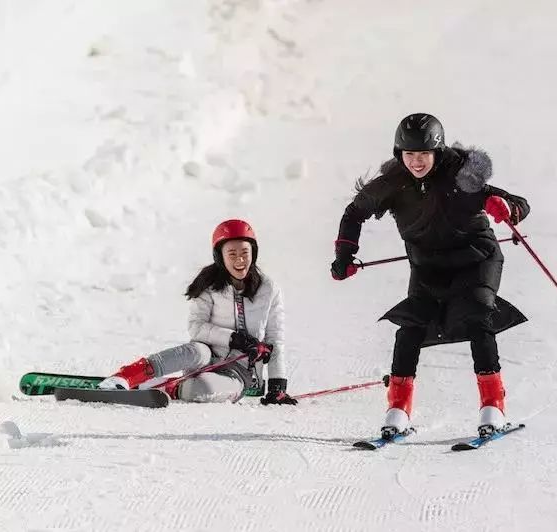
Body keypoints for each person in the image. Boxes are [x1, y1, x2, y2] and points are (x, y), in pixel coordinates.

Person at [331, 113, 529, 437]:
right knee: (411, 326)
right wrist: (344, 256)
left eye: (423, 154)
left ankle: (493, 407)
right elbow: (354, 212)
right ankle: (398, 410)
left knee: (478, 314)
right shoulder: (393, 183)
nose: (416, 161)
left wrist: (506, 208)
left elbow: (516, 202)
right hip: (428, 268)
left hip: (477, 259)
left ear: (437, 152)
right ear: (400, 154)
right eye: (409, 154)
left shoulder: (460, 176)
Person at [99, 219, 297, 406]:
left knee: (201, 388)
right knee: (196, 350)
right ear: (220, 256)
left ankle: (175, 388)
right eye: (232, 254)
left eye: (245, 252)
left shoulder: (269, 289)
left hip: (239, 372)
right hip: (205, 356)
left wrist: (277, 386)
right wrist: (233, 338)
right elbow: (196, 328)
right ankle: (125, 377)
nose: (240, 260)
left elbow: (274, 340)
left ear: (253, 252)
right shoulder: (209, 285)